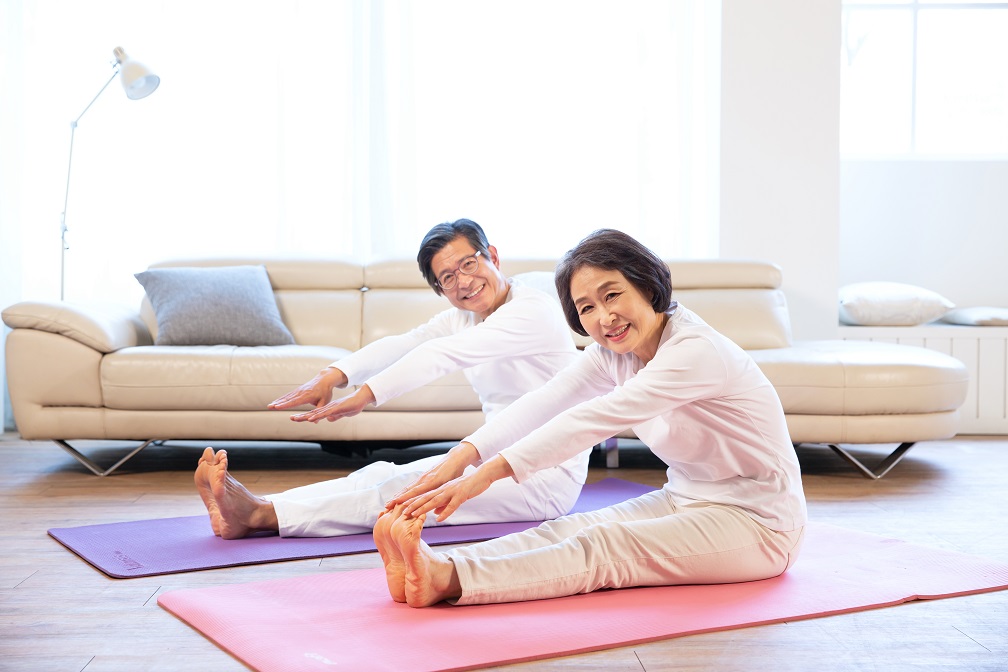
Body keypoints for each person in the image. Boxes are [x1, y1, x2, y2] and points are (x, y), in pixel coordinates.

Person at [376, 228, 807, 607]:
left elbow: (593, 418)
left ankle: (447, 581)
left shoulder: (695, 351)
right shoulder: (612, 355)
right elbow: (545, 401)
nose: (604, 318)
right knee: (569, 529)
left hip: (759, 520)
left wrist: (485, 475)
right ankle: (441, 564)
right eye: (585, 308)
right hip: (686, 496)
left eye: (612, 295)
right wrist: (458, 459)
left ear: (647, 283)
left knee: (602, 547)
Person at [194, 219, 588, 539]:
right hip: (490, 457)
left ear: (493, 257)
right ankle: (258, 504)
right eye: (447, 278)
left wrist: (366, 395)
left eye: (468, 264)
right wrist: (334, 374)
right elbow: (409, 342)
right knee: (381, 473)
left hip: (542, 476)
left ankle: (259, 516)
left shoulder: (532, 311)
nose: (463, 282)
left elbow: (443, 353)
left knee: (401, 490)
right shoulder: (463, 316)